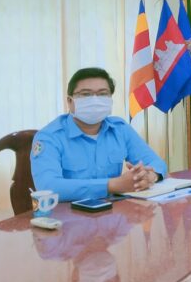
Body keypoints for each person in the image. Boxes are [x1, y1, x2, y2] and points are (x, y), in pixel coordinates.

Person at [31, 67, 167, 202]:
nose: (95, 100)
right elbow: (49, 187)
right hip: (68, 212)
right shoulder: (49, 137)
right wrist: (111, 185)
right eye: (86, 94)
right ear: (70, 101)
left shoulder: (119, 129)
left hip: (114, 211)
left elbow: (157, 163)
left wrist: (150, 176)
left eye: (102, 94)